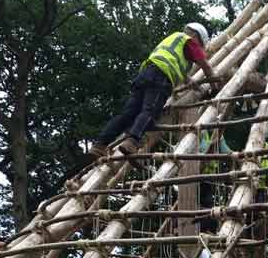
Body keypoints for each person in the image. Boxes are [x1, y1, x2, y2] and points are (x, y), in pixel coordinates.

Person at [90, 23, 218, 161]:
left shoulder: (173, 41)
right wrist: (215, 86)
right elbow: (205, 66)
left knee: (127, 114)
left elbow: (175, 65)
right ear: (194, 36)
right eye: (200, 44)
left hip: (145, 74)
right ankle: (132, 141)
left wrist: (189, 81)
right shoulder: (189, 41)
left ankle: (100, 145)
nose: (199, 48)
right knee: (150, 111)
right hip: (161, 78)